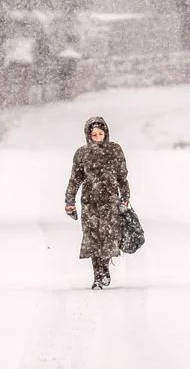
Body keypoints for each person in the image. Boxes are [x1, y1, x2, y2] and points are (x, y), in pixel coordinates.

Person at [64, 115, 130, 290]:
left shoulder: (115, 151)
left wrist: (125, 197)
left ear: (106, 133)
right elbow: (75, 179)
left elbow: (122, 177)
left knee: (108, 237)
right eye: (94, 135)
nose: (98, 137)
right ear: (88, 135)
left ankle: (105, 268)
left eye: (101, 133)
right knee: (93, 239)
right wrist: (69, 201)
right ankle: (98, 275)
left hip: (110, 202)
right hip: (89, 202)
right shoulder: (82, 154)